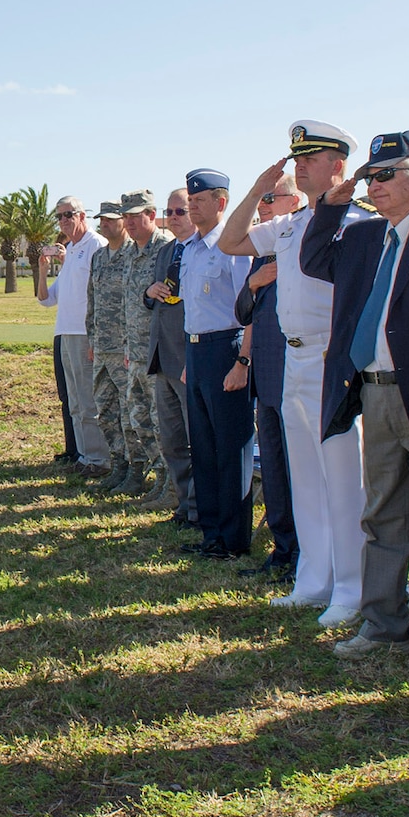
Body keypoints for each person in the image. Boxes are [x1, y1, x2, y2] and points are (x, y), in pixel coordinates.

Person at [306, 132, 409, 672]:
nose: (374, 186)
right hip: (375, 390)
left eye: (387, 174)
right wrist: (332, 205)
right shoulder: (361, 237)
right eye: (369, 177)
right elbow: (314, 261)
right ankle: (383, 623)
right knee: (383, 514)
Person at [220, 122, 367, 628]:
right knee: (305, 478)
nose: (300, 165)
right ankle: (315, 578)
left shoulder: (358, 221)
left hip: (335, 359)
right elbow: (230, 241)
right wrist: (260, 189)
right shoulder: (290, 222)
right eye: (297, 158)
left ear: (338, 166)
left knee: (344, 481)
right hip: (293, 356)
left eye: (313, 157)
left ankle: (352, 586)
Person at [166, 167, 252, 558]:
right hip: (197, 351)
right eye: (190, 200)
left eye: (199, 201)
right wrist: (189, 357)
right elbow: (192, 309)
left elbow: (248, 312)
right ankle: (211, 533)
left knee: (230, 448)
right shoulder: (191, 248)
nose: (192, 206)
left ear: (221, 203)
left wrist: (243, 361)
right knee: (202, 445)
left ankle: (233, 540)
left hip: (226, 349)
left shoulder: (233, 247)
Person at [237, 183, 303, 579]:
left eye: (269, 199)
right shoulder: (263, 252)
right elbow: (243, 311)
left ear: (293, 203)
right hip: (266, 376)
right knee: (276, 469)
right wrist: (254, 284)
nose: (262, 207)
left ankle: (304, 555)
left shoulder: (302, 242)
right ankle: (283, 549)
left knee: (300, 471)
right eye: (261, 200)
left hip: (296, 373)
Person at [35, 195, 109, 477]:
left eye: (69, 214)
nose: (64, 221)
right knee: (75, 402)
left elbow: (102, 296)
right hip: (65, 334)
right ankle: (84, 455)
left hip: (83, 334)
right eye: (60, 216)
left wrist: (95, 336)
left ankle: (100, 460)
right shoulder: (72, 250)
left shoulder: (95, 246)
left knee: (89, 402)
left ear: (82, 216)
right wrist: (42, 270)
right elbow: (45, 300)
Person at [145, 187, 197, 523]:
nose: (174, 218)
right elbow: (150, 296)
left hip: (190, 358)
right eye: (170, 212)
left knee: (197, 440)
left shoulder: (207, 249)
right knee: (172, 441)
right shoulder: (166, 252)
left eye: (180, 211)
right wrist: (150, 292)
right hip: (163, 356)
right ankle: (183, 504)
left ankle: (198, 507)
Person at [119, 188, 174, 502]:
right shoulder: (130, 251)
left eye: (135, 216)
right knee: (138, 419)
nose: (129, 222)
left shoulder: (164, 248)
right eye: (126, 216)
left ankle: (172, 485)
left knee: (160, 421)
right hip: (135, 353)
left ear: (151, 215)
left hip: (158, 353)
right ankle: (159, 476)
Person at [88, 201, 136, 488]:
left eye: (109, 220)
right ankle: (119, 463)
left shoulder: (135, 254)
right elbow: (91, 302)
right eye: (101, 220)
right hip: (103, 349)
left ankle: (137, 470)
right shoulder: (99, 257)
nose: (104, 225)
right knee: (106, 412)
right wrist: (91, 339)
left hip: (126, 349)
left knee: (131, 415)